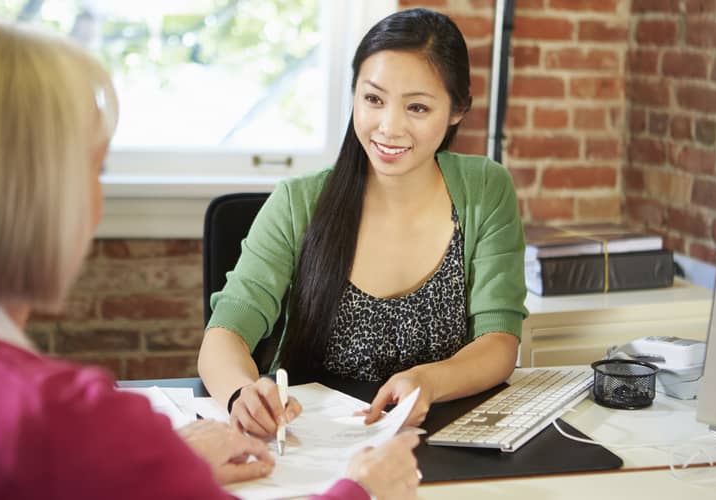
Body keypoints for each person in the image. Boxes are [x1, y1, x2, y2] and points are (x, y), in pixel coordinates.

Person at [0, 20, 420, 500]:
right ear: (41, 198)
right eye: (94, 169)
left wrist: (149, 464)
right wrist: (364, 489)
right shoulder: (60, 420)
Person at [198, 7, 528, 438]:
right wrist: (243, 394)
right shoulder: (297, 202)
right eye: (373, 99)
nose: (389, 127)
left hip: (442, 441)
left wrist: (429, 382)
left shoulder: (485, 189)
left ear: (457, 110)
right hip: (309, 444)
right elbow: (224, 334)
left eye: (418, 107)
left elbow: (499, 341)